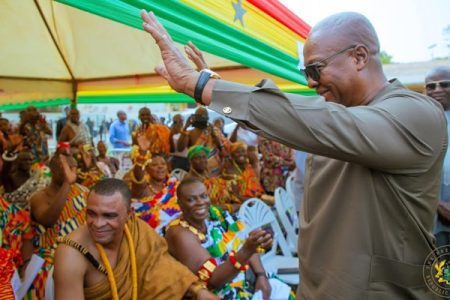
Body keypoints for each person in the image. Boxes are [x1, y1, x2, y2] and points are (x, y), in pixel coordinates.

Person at [141, 10, 446, 299]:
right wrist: (220, 87)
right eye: (306, 73)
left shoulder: (416, 113)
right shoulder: (336, 116)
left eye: (315, 69)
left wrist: (206, 87)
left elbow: (323, 121)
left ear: (359, 57)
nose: (310, 82)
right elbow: (296, 120)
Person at [54, 178, 218, 300]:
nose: (97, 224)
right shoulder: (71, 252)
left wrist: (198, 291)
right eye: (91, 214)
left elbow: (166, 270)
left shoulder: (136, 230)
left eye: (108, 215)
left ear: (129, 214)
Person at [166, 178, 294, 300]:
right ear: (180, 204)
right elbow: (213, 281)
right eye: (191, 199)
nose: (200, 202)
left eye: (204, 196)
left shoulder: (215, 213)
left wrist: (261, 275)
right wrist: (246, 251)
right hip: (218, 293)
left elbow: (243, 240)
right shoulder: (180, 233)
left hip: (248, 277)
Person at [427, 66, 450, 248]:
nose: (437, 90)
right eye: (431, 86)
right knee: (441, 273)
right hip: (434, 219)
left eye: (444, 84)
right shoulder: (419, 122)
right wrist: (436, 203)